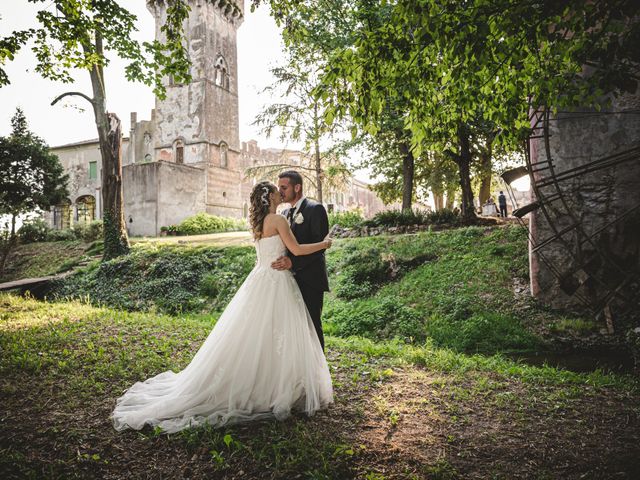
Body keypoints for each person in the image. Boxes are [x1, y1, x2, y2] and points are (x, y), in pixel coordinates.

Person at [111, 181, 334, 433]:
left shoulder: (259, 223)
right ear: (269, 196)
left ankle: (261, 382)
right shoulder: (279, 220)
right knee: (275, 333)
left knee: (254, 334)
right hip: (276, 282)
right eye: (276, 190)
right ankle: (276, 386)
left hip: (260, 279)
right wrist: (324, 244)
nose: (279, 192)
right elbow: (296, 249)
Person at [271, 171, 329, 351]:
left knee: (312, 324)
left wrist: (293, 263)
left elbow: (319, 248)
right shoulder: (285, 213)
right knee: (294, 327)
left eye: (284, 187)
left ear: (297, 187)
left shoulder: (315, 209)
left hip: (310, 279)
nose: (280, 191)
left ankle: (319, 370)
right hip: (288, 281)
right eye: (279, 187)